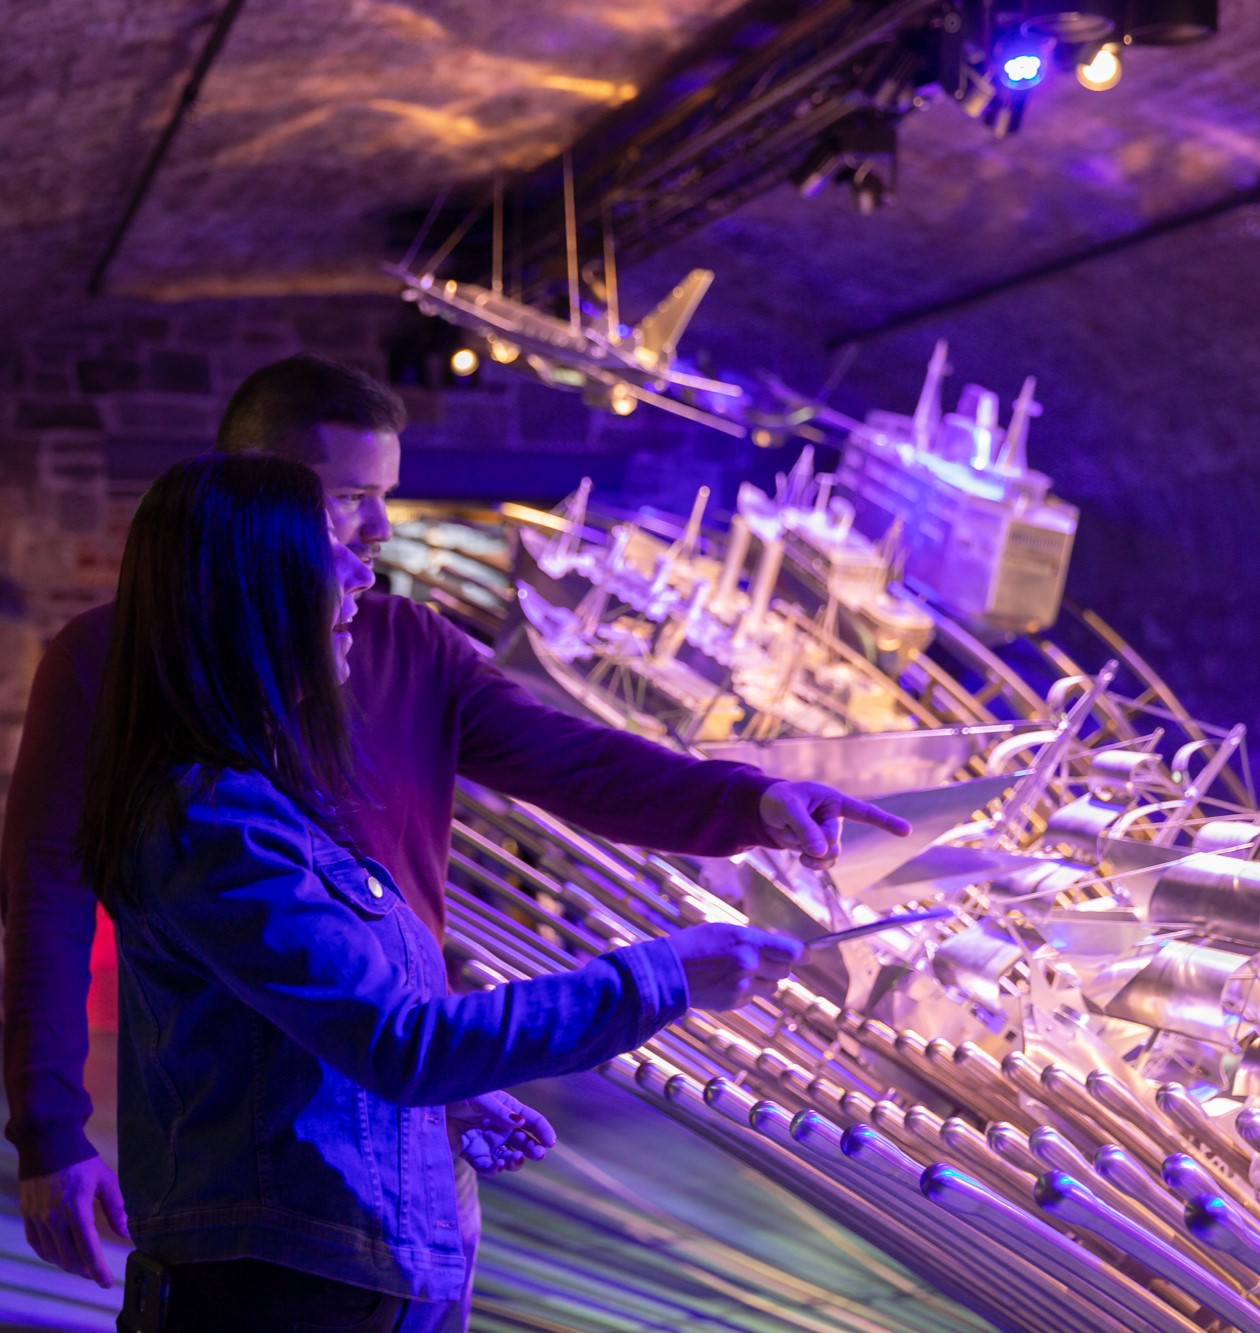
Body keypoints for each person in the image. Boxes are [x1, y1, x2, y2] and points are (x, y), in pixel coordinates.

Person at [1, 355, 909, 1322]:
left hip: (398, 1133)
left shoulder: (388, 647)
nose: (376, 542)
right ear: (260, 520)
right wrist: (50, 1126)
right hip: (278, 1182)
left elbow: (573, 765)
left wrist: (751, 801)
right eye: (349, 501)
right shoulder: (195, 779)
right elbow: (57, 893)